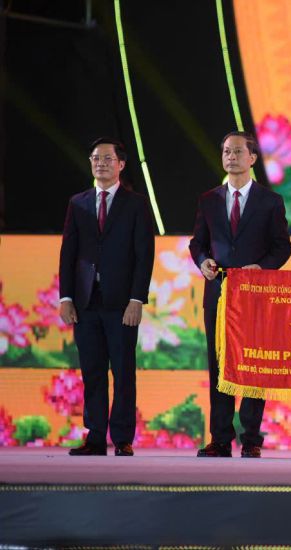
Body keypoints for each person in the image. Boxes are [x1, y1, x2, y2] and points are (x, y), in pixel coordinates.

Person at [189, 131, 291, 458]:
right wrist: (202, 261)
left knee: (252, 364)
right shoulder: (209, 199)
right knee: (219, 365)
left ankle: (250, 438)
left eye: (237, 151)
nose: (230, 157)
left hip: (255, 295)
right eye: (225, 151)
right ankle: (220, 439)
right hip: (218, 293)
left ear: (252, 158)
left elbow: (282, 246)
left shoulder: (270, 201)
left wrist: (262, 268)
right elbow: (198, 243)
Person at [59, 137, 155, 457]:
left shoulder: (136, 204)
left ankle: (123, 437)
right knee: (93, 371)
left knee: (123, 372)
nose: (100, 163)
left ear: (121, 164)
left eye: (107, 159)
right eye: (95, 158)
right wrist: (66, 297)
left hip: (122, 303)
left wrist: (137, 300)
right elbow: (68, 253)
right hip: (86, 302)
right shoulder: (78, 203)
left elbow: (144, 255)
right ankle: (96, 436)